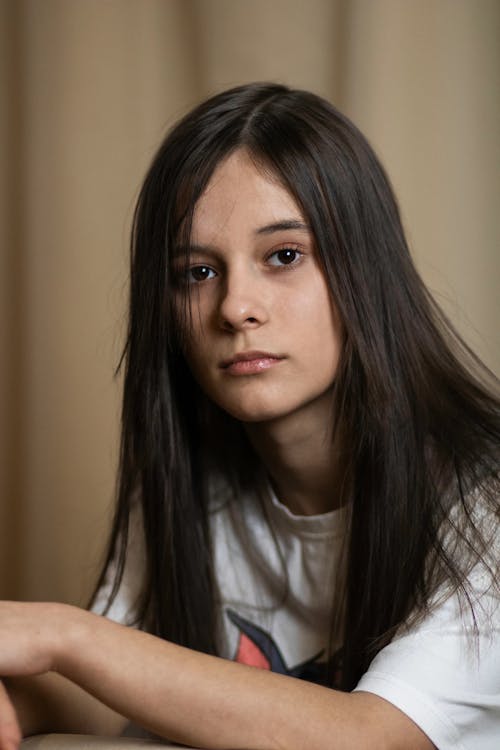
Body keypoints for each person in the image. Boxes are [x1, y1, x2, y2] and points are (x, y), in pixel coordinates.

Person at [1, 82, 499, 750]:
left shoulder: (485, 502)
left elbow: (373, 738)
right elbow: (114, 696)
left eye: (284, 256)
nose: (236, 307)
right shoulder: (191, 486)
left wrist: (61, 634)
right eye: (196, 273)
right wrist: (19, 696)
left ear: (366, 271)